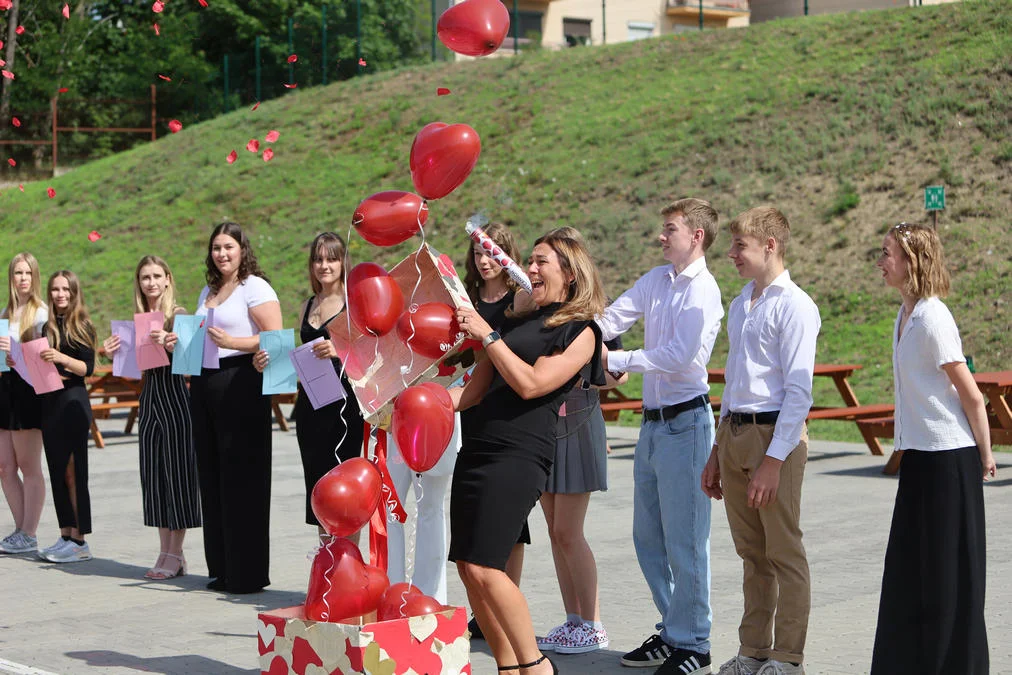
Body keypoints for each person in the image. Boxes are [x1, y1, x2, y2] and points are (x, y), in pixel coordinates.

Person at [449, 227, 606, 675]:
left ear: (570, 275)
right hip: (477, 448)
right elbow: (473, 391)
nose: (529, 269)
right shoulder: (515, 322)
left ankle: (536, 666)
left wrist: (488, 336)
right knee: (467, 566)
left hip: (518, 456)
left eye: (541, 262)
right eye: (531, 260)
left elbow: (532, 383)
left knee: (486, 567)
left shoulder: (582, 332)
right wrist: (407, 404)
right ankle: (507, 668)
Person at [597, 198, 723, 675]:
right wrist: (581, 335)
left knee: (686, 541)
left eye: (670, 229)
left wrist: (617, 360)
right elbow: (613, 318)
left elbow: (679, 357)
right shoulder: (656, 280)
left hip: (686, 425)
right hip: (652, 426)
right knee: (648, 537)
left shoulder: (704, 291)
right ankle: (674, 630)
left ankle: (696, 643)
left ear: (696, 236)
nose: (661, 236)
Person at [869, 223, 994, 675]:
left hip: (950, 460)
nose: (880, 262)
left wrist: (985, 456)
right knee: (910, 571)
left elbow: (972, 395)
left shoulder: (934, 318)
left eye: (887, 254)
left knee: (948, 578)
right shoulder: (905, 315)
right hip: (919, 458)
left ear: (912, 262)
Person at [701, 206, 821, 675]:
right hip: (734, 435)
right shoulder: (741, 304)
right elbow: (734, 382)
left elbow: (799, 392)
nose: (730, 254)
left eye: (739, 246)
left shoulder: (796, 306)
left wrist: (774, 460)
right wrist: (716, 450)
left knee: (783, 551)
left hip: (776, 438)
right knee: (752, 553)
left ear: (769, 246)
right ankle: (754, 651)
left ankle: (788, 659)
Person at [254, 233, 364, 543]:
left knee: (345, 490)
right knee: (319, 488)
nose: (324, 265)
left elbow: (374, 353)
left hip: (345, 408)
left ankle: (348, 566)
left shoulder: (354, 302)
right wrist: (269, 361)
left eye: (331, 258)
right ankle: (327, 564)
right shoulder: (307, 305)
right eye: (318, 259)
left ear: (343, 262)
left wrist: (339, 351)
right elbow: (298, 360)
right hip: (311, 406)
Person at [191, 222, 282, 594]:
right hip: (205, 382)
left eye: (228, 246)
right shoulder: (208, 290)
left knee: (242, 479)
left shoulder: (254, 287)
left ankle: (247, 572)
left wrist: (234, 341)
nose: (222, 254)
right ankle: (223, 567)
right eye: (216, 247)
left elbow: (275, 335)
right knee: (212, 477)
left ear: (242, 249)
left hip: (241, 382)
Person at [102, 256, 201, 579]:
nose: (151, 282)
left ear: (168, 279)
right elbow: (131, 371)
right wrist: (113, 351)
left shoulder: (179, 315)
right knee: (155, 477)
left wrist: (173, 343)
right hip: (149, 399)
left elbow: (192, 362)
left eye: (157, 276)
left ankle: (174, 553)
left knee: (178, 477)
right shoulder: (138, 320)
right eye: (145, 277)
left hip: (175, 399)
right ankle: (166, 552)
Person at [37, 270, 98, 563]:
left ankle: (80, 540)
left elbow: (88, 368)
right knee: (57, 471)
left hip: (73, 403)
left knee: (75, 473)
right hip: (50, 403)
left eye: (66, 290)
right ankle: (65, 535)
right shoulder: (46, 327)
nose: (60, 295)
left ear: (74, 293)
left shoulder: (82, 324)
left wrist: (60, 358)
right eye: (55, 290)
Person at [0, 253, 48, 555]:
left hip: (28, 392)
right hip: (3, 390)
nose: (22, 278)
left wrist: (17, 356)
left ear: (35, 276)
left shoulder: (41, 313)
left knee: (29, 466)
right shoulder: (3, 313)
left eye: (28, 272)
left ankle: (29, 531)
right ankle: (21, 530)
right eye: (18, 272)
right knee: (5, 467)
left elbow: (43, 363)